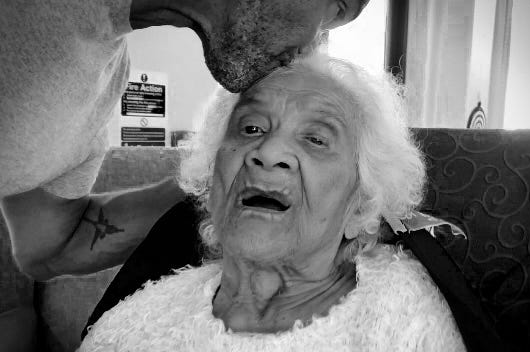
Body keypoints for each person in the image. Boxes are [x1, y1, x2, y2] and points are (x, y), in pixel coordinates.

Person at [76, 53, 471, 352]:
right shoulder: (129, 330)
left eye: (316, 139)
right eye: (251, 129)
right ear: (212, 183)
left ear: (359, 207)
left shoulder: (401, 320)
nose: (267, 152)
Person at [0, 0, 369, 280]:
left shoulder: (101, 84)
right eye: (336, 6)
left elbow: (52, 247)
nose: (316, 42)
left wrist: (224, 183)